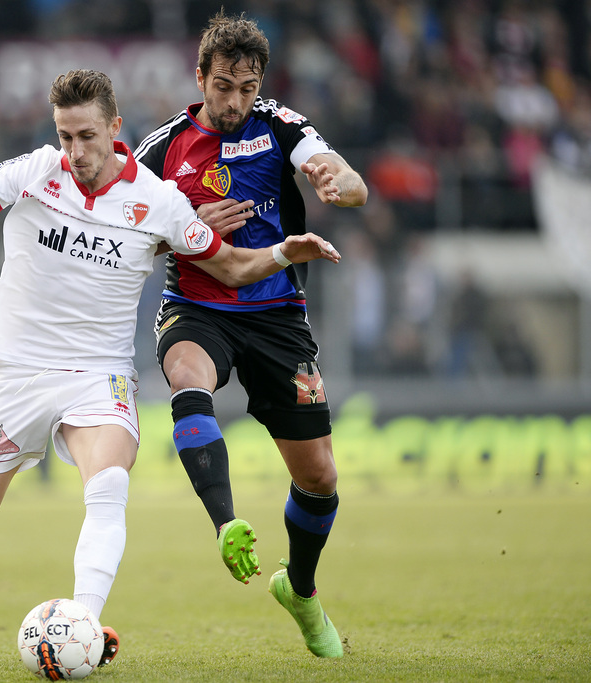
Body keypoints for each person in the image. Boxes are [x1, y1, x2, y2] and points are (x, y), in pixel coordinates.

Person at [0, 68, 341, 667]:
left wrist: (282, 251)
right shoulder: (34, 172)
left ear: (115, 128)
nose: (76, 151)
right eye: (65, 136)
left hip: (100, 375)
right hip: (19, 371)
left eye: (87, 136)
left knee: (109, 487)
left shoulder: (159, 201)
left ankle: (84, 623)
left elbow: (233, 266)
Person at [134, 12, 368, 658]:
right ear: (200, 78)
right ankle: (225, 523)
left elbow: (348, 180)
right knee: (188, 378)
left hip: (275, 312)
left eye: (247, 87)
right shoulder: (162, 149)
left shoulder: (280, 125)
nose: (236, 101)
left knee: (320, 476)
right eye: (224, 86)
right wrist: (185, 229)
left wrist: (339, 183)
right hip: (196, 306)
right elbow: (123, 235)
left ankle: (301, 588)